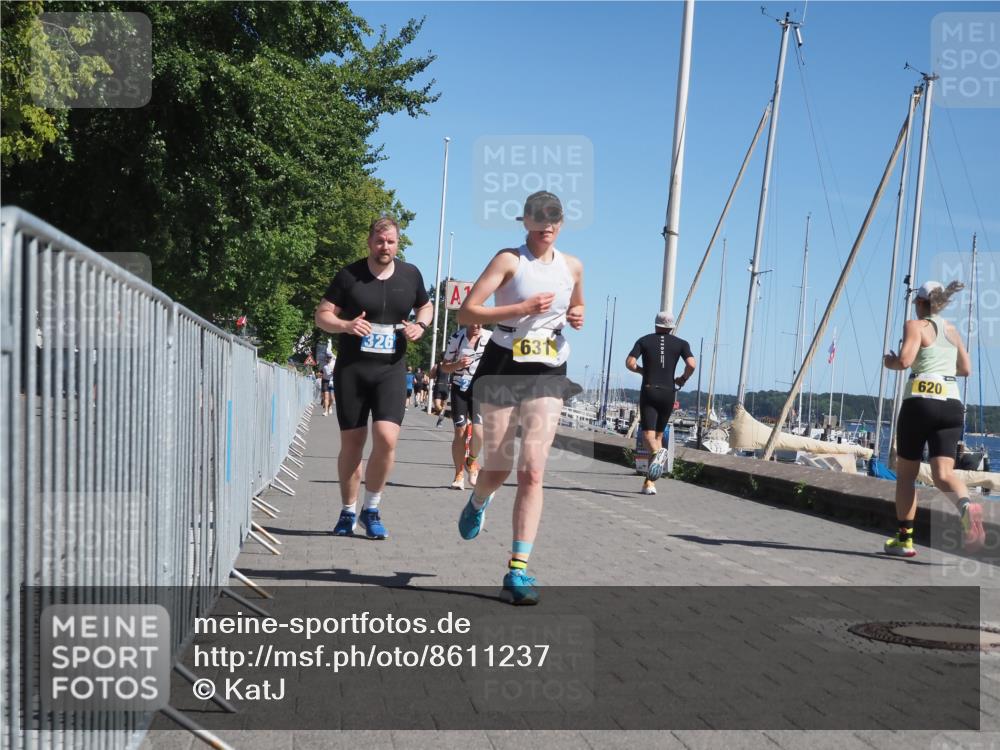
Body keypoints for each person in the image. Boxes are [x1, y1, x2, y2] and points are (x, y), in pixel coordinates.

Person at [456, 191, 584, 605]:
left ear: (561, 223)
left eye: (554, 218)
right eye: (539, 217)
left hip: (549, 366)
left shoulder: (573, 266)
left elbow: (577, 305)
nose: (547, 225)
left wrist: (577, 315)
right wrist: (521, 308)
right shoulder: (509, 260)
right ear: (526, 221)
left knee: (532, 470)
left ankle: (517, 569)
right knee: (499, 466)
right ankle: (479, 499)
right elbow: (467, 312)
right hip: (504, 362)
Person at [314, 216, 432, 540]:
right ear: (369, 242)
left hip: (391, 369)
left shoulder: (410, 275)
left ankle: (372, 509)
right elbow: (322, 315)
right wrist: (346, 325)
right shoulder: (349, 275)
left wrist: (420, 326)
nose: (385, 247)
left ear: (397, 244)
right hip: (353, 369)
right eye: (379, 241)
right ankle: (347, 511)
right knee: (352, 445)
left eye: (391, 242)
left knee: (387, 438)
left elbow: (426, 307)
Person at [882, 280, 984, 557]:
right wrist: (942, 367)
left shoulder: (915, 326)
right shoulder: (952, 331)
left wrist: (889, 362)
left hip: (920, 402)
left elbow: (905, 361)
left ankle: (905, 540)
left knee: (906, 475)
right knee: (943, 474)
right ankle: (966, 507)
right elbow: (966, 369)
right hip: (951, 405)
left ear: (920, 303)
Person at [625, 312, 696, 495]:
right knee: (657, 437)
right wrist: (682, 379)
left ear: (655, 324)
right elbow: (691, 364)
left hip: (650, 390)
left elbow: (630, 363)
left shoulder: (644, 340)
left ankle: (658, 454)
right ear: (672, 327)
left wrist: (642, 371)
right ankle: (649, 483)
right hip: (668, 393)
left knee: (647, 436)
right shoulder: (682, 343)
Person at [441, 323, 493, 490]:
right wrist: (457, 365)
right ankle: (458, 474)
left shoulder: (491, 337)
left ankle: (471, 461)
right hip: (460, 388)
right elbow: (444, 366)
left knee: (479, 432)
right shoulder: (457, 337)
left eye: (480, 321)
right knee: (460, 431)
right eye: (473, 321)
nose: (477, 325)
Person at [431, 354, 451, 426]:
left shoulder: (437, 365)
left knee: (437, 406)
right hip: (445, 386)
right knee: (442, 405)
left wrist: (433, 375)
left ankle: (441, 416)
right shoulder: (450, 365)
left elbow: (431, 375)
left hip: (439, 385)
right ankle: (441, 418)